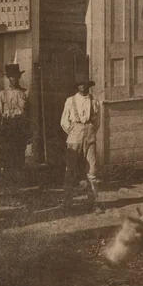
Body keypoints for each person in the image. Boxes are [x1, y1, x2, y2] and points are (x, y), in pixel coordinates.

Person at [61, 78, 99, 209]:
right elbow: (64, 121)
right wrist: (73, 130)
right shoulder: (70, 100)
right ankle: (67, 202)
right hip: (74, 135)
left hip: (89, 135)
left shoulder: (94, 101)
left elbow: (97, 122)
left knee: (92, 170)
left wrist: (90, 130)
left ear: (89, 85)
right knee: (70, 169)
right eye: (80, 84)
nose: (83, 86)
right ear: (77, 86)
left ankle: (93, 202)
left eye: (85, 84)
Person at [0, 64, 29, 187]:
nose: (14, 79)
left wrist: (28, 132)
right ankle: (8, 185)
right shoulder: (2, 94)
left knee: (19, 156)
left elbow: (29, 115)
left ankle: (18, 185)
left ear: (19, 77)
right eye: (11, 76)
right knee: (7, 156)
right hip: (7, 127)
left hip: (20, 127)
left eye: (16, 76)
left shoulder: (25, 93)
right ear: (8, 78)